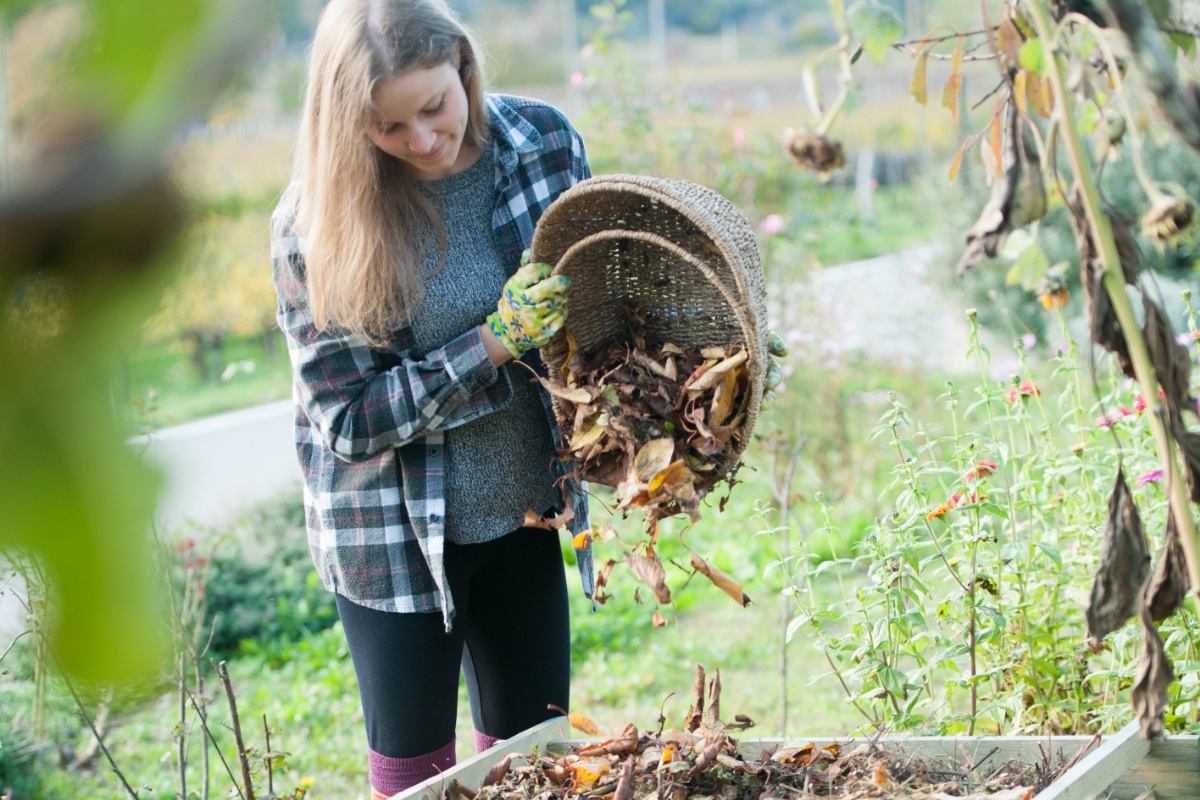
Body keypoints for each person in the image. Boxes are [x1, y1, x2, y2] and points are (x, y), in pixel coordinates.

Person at [269, 1, 595, 797]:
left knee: (534, 760)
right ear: (349, 126)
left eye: (434, 106)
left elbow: (597, 293)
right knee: (417, 778)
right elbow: (349, 420)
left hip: (523, 509)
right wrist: (491, 343)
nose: (422, 140)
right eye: (387, 128)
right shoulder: (314, 227)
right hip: (390, 538)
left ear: (462, 63)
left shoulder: (543, 144)